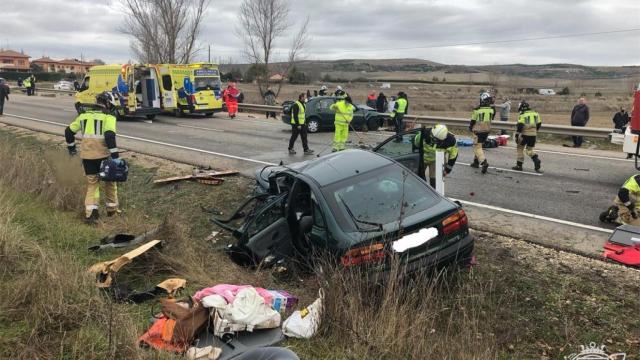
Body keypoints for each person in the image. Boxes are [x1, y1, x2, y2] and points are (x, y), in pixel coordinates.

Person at [64, 91, 121, 224]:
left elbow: (68, 132)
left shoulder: (83, 116)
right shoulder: (109, 117)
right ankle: (112, 212)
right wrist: (115, 156)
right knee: (110, 183)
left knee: (92, 185)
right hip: (104, 157)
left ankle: (91, 214)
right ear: (107, 103)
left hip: (87, 158)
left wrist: (72, 149)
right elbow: (109, 136)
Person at [512, 100, 542, 173]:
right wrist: (535, 131)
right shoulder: (535, 113)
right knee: (529, 150)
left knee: (520, 148)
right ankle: (535, 158)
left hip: (524, 135)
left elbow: (520, 125)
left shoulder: (522, 115)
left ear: (522, 108)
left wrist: (517, 135)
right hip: (533, 135)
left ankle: (519, 166)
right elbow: (539, 124)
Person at [469, 92, 495, 174]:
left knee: (477, 147)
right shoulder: (492, 110)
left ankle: (484, 162)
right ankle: (476, 162)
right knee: (479, 146)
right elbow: (492, 117)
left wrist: (470, 128)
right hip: (486, 131)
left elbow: (473, 121)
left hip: (478, 131)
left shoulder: (477, 110)